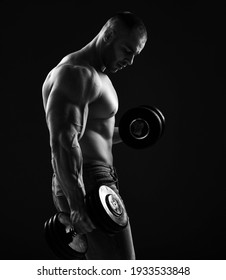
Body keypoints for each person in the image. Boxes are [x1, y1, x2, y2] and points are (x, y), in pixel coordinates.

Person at [42, 11, 147, 259]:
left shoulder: (98, 75)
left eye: (135, 55)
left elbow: (92, 135)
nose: (130, 61)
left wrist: (131, 132)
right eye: (127, 51)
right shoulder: (76, 73)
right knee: (121, 269)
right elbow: (64, 142)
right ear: (108, 35)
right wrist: (77, 204)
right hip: (87, 180)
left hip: (96, 179)